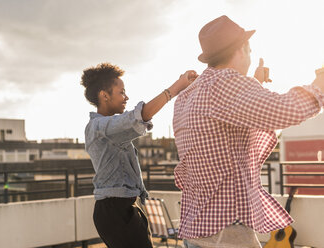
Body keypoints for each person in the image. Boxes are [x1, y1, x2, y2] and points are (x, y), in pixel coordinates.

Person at [173, 15, 324, 248]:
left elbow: (223, 129)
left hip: (198, 226)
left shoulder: (187, 95)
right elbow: (289, 110)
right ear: (242, 49)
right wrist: (319, 83)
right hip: (226, 232)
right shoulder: (225, 83)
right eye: (250, 50)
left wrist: (255, 84)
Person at [81, 63, 197, 248]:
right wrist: (176, 87)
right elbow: (140, 116)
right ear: (104, 95)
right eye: (121, 92)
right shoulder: (100, 127)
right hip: (115, 211)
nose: (126, 97)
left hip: (124, 208)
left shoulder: (109, 127)